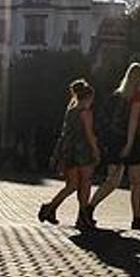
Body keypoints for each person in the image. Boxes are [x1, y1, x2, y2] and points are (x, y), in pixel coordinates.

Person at [86, 62, 140, 231]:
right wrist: (130, 144)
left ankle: (89, 208)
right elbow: (133, 121)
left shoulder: (117, 95)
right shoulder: (137, 96)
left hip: (115, 142)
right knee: (137, 182)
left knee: (112, 182)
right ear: (139, 79)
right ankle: (136, 219)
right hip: (133, 142)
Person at [37, 79, 100, 231]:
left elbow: (65, 134)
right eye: (92, 99)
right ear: (88, 98)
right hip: (83, 152)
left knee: (71, 185)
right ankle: (82, 218)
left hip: (69, 152)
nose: (92, 102)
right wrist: (96, 151)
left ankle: (50, 208)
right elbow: (89, 134)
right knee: (85, 183)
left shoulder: (70, 111)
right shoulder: (86, 112)